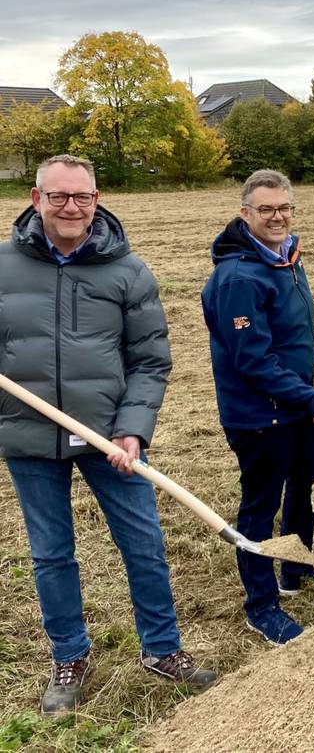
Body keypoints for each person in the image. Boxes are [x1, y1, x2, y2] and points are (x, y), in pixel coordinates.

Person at [0, 155, 216, 716]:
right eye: (58, 196)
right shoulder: (2, 267)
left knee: (143, 544)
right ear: (36, 198)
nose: (71, 207)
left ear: (97, 200)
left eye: (82, 197)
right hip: (29, 436)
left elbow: (150, 360)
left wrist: (132, 431)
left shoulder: (127, 270)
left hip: (109, 437)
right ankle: (69, 656)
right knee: (51, 554)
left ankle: (162, 649)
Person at [201, 169, 314, 646]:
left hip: (298, 404)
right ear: (245, 213)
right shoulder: (238, 277)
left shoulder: (287, 258)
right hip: (260, 414)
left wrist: (307, 393)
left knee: (306, 491)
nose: (277, 216)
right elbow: (253, 360)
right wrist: (310, 398)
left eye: (284, 207)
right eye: (266, 209)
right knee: (260, 508)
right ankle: (262, 605)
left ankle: (296, 571)